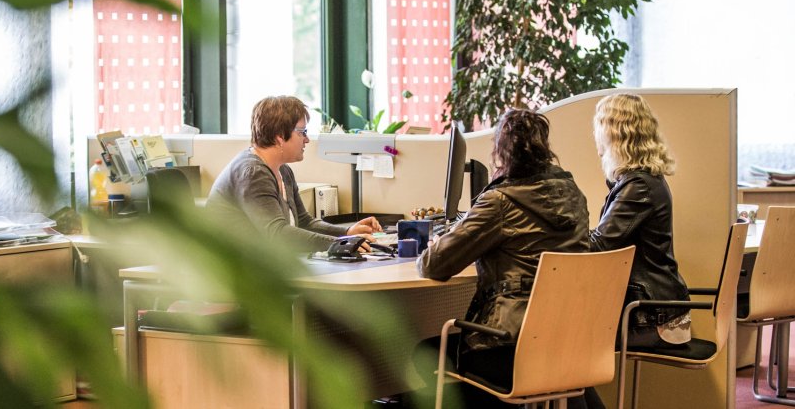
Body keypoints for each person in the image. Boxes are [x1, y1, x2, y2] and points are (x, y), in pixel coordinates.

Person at [413, 109, 596, 409]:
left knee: (425, 355)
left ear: (501, 153)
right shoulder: (575, 195)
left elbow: (434, 265)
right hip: (566, 344)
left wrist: (441, 240)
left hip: (508, 345)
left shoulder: (500, 201)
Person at [206, 95, 382, 252]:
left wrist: (347, 232)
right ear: (279, 137)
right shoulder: (253, 173)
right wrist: (342, 243)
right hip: (232, 275)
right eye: (302, 132)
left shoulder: (282, 169)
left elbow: (304, 221)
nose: (307, 139)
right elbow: (278, 233)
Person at [589, 93, 691, 348]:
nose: (595, 135)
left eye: (598, 126)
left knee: (565, 334)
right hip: (657, 311)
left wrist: (556, 235)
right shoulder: (641, 181)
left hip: (651, 317)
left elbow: (600, 245)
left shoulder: (639, 186)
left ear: (614, 133)